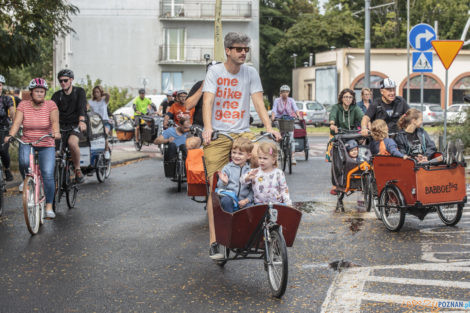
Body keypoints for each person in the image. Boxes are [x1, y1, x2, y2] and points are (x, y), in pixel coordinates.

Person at [201, 32, 280, 260]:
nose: (243, 52)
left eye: (245, 48)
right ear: (228, 50)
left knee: (264, 165)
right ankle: (215, 241)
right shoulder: (215, 72)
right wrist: (208, 127)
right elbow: (208, 100)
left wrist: (269, 126)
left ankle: (263, 225)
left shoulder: (251, 72)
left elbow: (258, 100)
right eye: (238, 49)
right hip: (219, 133)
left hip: (242, 132)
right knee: (214, 185)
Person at [5, 78, 60, 218]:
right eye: (37, 91)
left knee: (47, 173)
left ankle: (48, 206)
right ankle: (26, 181)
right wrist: (10, 135)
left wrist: (56, 132)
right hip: (27, 141)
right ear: (31, 92)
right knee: (23, 163)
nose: (40, 94)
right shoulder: (23, 105)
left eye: (42, 91)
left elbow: (54, 122)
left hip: (46, 143)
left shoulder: (51, 105)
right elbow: (17, 123)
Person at [51, 69, 87, 183]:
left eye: (65, 80)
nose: (63, 83)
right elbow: (51, 111)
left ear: (71, 80)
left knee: (72, 143)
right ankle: (56, 173)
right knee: (55, 150)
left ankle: (77, 169)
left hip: (75, 125)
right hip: (61, 126)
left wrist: (81, 121)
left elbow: (82, 108)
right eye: (60, 81)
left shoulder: (79, 92)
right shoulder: (57, 96)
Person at [243, 141, 291, 205]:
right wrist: (247, 178)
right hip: (259, 204)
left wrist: (288, 203)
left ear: (273, 160)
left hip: (277, 203)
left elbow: (284, 189)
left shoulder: (279, 173)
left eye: (265, 158)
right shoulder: (255, 172)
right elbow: (242, 180)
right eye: (259, 158)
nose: (261, 161)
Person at [216, 137, 254, 213]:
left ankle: (245, 224)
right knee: (226, 201)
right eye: (234, 152)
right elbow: (220, 188)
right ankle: (229, 221)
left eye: (240, 154)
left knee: (251, 208)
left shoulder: (250, 170)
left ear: (248, 156)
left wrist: (247, 200)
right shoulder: (227, 168)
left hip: (243, 200)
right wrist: (224, 183)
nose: (236, 156)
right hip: (230, 199)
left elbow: (253, 190)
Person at [271, 84, 303, 165]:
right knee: (279, 136)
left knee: (291, 138)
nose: (285, 93)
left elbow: (295, 109)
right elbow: (274, 109)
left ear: (289, 93)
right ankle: (279, 150)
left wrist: (298, 116)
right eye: (283, 92)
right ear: (280, 93)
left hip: (289, 120)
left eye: (286, 92)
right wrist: (273, 117)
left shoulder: (291, 100)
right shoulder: (277, 100)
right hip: (280, 119)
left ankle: (292, 157)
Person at [185, 61, 222, 127]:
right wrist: (202, 88)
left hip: (222, 127)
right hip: (200, 126)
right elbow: (187, 106)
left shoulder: (228, 87)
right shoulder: (200, 85)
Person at [88, 85, 112, 159]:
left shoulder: (104, 101)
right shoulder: (91, 102)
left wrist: (102, 94)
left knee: (104, 134)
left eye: (97, 92)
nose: (96, 93)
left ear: (101, 92)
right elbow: (85, 108)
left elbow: (108, 95)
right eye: (95, 92)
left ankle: (107, 150)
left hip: (105, 122)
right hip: (95, 123)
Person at [0, 74, 15, 181]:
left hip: (3, 128)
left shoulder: (6, 99)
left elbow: (12, 111)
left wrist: (14, 122)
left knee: (3, 151)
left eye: (0, 85)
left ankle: (7, 169)